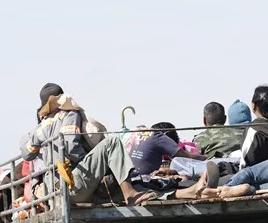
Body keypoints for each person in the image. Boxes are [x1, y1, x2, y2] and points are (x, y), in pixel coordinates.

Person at [23, 84, 210, 205]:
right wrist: (95, 165)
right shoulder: (68, 114)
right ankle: (130, 194)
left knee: (143, 192)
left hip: (54, 192)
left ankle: (191, 191)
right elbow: (71, 146)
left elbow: (26, 153)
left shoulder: (38, 128)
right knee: (112, 143)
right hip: (72, 184)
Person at [129, 122, 207, 175]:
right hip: (141, 181)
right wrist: (205, 158)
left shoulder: (135, 133)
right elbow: (185, 156)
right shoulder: (159, 136)